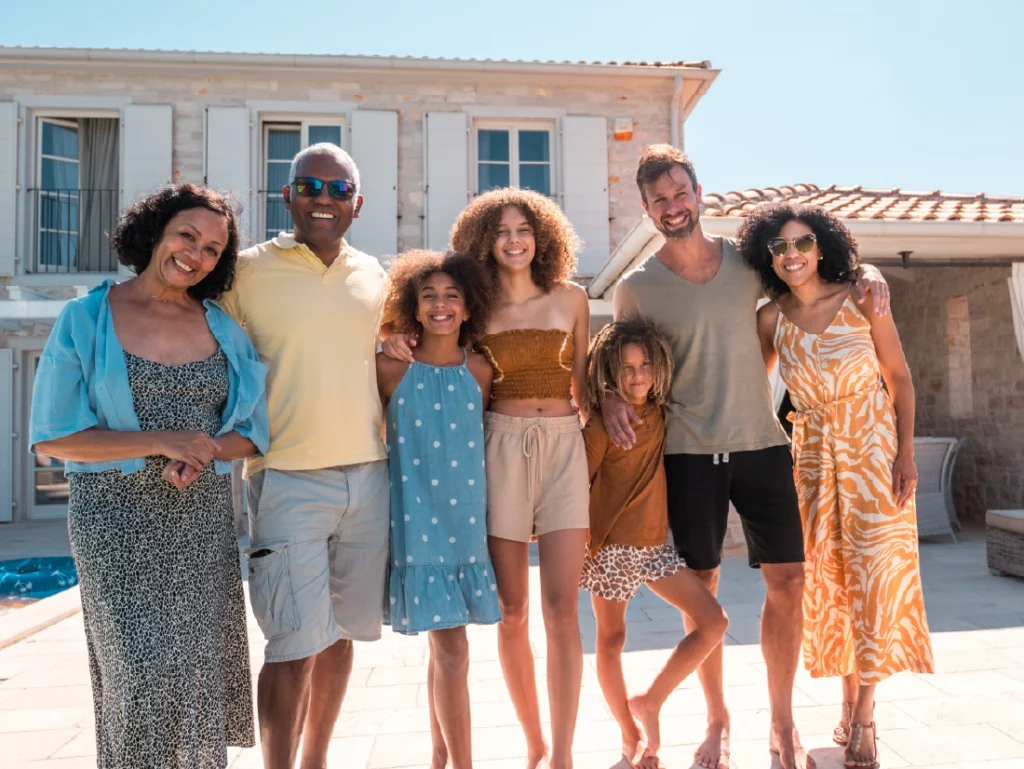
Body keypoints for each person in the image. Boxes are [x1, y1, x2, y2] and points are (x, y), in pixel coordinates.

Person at [606, 144, 891, 769]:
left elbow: (809, 274)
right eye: (659, 199)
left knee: (790, 582)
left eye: (680, 192)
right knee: (704, 590)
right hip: (687, 453)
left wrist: (866, 274)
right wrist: (606, 401)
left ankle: (782, 726)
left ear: (699, 193)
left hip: (763, 444)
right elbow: (617, 364)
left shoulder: (750, 265)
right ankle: (717, 723)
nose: (672, 206)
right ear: (648, 209)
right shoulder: (638, 289)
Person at [29, 184, 269, 769]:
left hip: (200, 522)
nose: (197, 254)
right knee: (140, 676)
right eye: (187, 235)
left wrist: (203, 451)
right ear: (155, 232)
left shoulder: (224, 329)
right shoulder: (86, 317)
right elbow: (52, 437)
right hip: (115, 523)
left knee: (191, 679)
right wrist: (160, 442)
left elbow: (253, 431)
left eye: (213, 249)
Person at [384, 188, 591, 769]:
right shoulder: (476, 309)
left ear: (541, 235)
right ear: (483, 241)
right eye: (501, 231)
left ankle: (564, 755)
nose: (513, 239)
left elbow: (585, 389)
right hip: (498, 447)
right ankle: (533, 741)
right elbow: (435, 347)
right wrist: (391, 338)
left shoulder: (572, 299)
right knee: (514, 610)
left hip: (564, 449)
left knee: (562, 610)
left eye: (523, 228)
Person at [739, 203, 934, 769]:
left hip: (874, 454)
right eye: (779, 247)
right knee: (832, 585)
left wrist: (905, 453)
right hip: (813, 462)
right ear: (768, 257)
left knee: (875, 581)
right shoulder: (770, 319)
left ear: (821, 247)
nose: (792, 255)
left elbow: (899, 379)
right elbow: (748, 387)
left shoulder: (861, 298)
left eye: (802, 243)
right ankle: (847, 703)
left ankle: (866, 716)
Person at [218, 144, 391, 769]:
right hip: (286, 475)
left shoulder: (376, 276)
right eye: (311, 187)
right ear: (287, 195)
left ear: (357, 204)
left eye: (339, 190)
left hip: (370, 477)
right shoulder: (243, 272)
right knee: (293, 641)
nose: (325, 198)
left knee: (342, 636)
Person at [580, 319, 729, 769]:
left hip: (655, 548)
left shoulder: (662, 413)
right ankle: (629, 734)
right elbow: (575, 485)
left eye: (644, 364)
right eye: (625, 368)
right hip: (609, 549)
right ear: (609, 371)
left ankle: (649, 700)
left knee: (713, 622)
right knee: (611, 640)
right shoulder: (601, 425)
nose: (637, 375)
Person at [376, 249, 503, 769]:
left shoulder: (481, 369)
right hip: (416, 519)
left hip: (468, 524)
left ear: (469, 307)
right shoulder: (389, 368)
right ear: (413, 305)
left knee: (443, 650)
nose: (440, 305)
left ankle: (439, 757)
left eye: (452, 295)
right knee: (452, 651)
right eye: (428, 295)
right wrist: (384, 335)